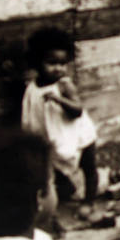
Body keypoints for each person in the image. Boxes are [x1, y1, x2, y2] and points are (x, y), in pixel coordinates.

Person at [22, 27, 98, 203]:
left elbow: (77, 110)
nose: (58, 69)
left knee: (89, 168)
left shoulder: (64, 85)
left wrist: (59, 100)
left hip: (79, 134)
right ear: (37, 62)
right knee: (53, 167)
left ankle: (89, 202)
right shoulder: (33, 87)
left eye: (63, 64)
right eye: (52, 63)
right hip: (54, 135)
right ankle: (67, 190)